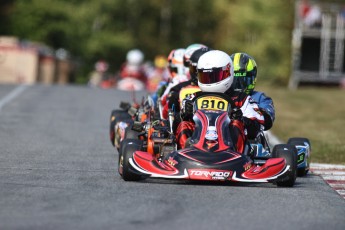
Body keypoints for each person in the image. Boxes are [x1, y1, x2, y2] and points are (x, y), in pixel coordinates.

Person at [176, 50, 264, 153]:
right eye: (206, 76)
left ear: (228, 73)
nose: (210, 81)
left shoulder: (242, 99)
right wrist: (184, 115)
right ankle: (185, 154)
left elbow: (257, 127)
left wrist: (241, 119)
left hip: (229, 147)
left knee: (237, 124)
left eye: (214, 76)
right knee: (184, 124)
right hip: (197, 146)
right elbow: (174, 127)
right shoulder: (192, 98)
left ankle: (235, 157)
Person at [163, 47, 212, 123]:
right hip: (190, 128)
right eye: (196, 70)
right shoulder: (179, 89)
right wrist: (181, 114)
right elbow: (166, 115)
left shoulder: (226, 91)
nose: (201, 74)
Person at [230, 52, 275, 131]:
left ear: (252, 78)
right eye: (235, 79)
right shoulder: (223, 96)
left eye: (243, 80)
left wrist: (246, 119)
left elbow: (268, 119)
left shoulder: (260, 98)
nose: (238, 84)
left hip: (251, 138)